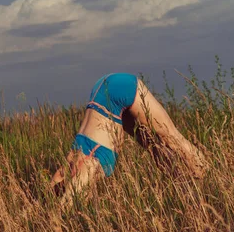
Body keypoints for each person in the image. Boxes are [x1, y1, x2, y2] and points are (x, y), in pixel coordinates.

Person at [50, 73, 208, 204]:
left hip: (116, 90)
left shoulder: (86, 171)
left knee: (171, 136)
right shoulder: (70, 163)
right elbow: (51, 193)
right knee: (155, 149)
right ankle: (190, 193)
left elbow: (64, 208)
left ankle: (208, 177)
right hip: (103, 91)